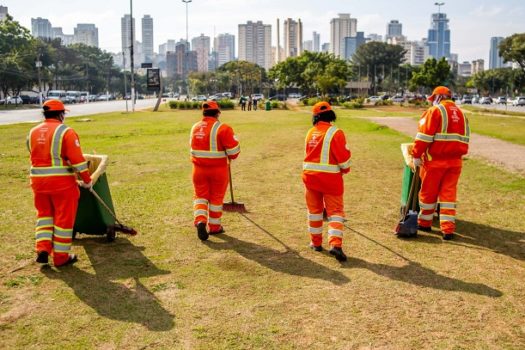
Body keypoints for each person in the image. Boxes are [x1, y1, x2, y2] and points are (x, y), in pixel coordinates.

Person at [27, 99, 92, 266]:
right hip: (61, 184)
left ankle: (42, 249)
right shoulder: (66, 132)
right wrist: (87, 180)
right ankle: (61, 257)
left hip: (38, 183)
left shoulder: (32, 132)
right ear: (61, 114)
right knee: (63, 220)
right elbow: (78, 161)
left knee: (44, 216)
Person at [410, 86, 470, 240]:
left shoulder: (435, 111)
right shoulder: (462, 114)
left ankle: (424, 223)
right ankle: (448, 229)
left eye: (433, 99)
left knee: (428, 193)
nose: (431, 102)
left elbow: (423, 137)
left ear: (438, 97)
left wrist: (416, 155)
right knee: (448, 195)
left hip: (435, 161)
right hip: (456, 162)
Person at [302, 101, 352, 261]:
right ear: (331, 115)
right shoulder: (336, 133)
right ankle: (335, 245)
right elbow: (343, 159)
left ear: (315, 116)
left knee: (314, 212)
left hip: (310, 178)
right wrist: (345, 169)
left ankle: (315, 243)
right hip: (331, 180)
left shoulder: (310, 132)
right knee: (336, 212)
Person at [190, 101, 240, 241]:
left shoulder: (195, 128)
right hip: (218, 170)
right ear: (218, 113)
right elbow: (234, 153)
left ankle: (200, 221)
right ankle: (214, 227)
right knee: (216, 198)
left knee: (200, 196)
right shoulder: (223, 128)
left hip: (198, 170)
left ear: (203, 113)